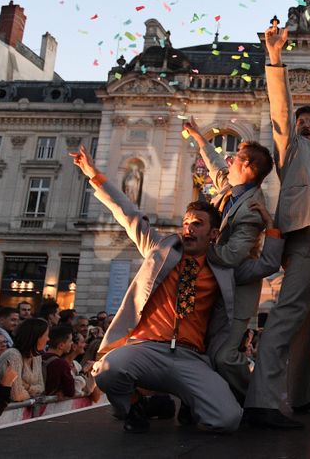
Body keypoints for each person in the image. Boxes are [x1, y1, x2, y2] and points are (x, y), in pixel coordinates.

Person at [70, 145, 246, 434]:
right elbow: (128, 214)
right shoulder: (160, 248)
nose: (188, 229)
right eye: (186, 223)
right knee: (107, 370)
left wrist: (271, 229)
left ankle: (188, 402)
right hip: (146, 348)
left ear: (213, 234)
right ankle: (134, 406)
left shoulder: (223, 267)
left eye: (197, 225)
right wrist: (94, 175)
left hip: (191, 356)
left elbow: (263, 265)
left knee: (228, 419)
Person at [243, 23, 310, 430]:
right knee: (286, 317)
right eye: (301, 121)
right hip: (301, 240)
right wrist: (276, 59)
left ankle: (301, 395)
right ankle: (262, 402)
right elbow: (280, 111)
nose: (303, 125)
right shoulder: (294, 149)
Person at [184, 118, 280, 403]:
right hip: (214, 288)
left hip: (236, 294)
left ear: (248, 168)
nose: (229, 159)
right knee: (204, 349)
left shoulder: (251, 209)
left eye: (236, 158)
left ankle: (252, 398)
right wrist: (199, 137)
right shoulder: (231, 189)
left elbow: (230, 255)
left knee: (225, 355)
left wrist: (196, 247)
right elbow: (215, 166)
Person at [0, 318, 48, 402]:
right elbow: (16, 395)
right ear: (36, 336)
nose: (48, 339)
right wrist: (32, 394)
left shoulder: (37, 356)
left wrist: (27, 387)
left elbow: (41, 388)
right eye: (46, 335)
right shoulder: (13, 355)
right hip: (3, 411)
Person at [42, 325, 76, 399]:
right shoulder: (61, 363)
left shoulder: (39, 357)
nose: (72, 343)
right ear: (61, 345)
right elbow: (70, 391)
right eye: (70, 341)